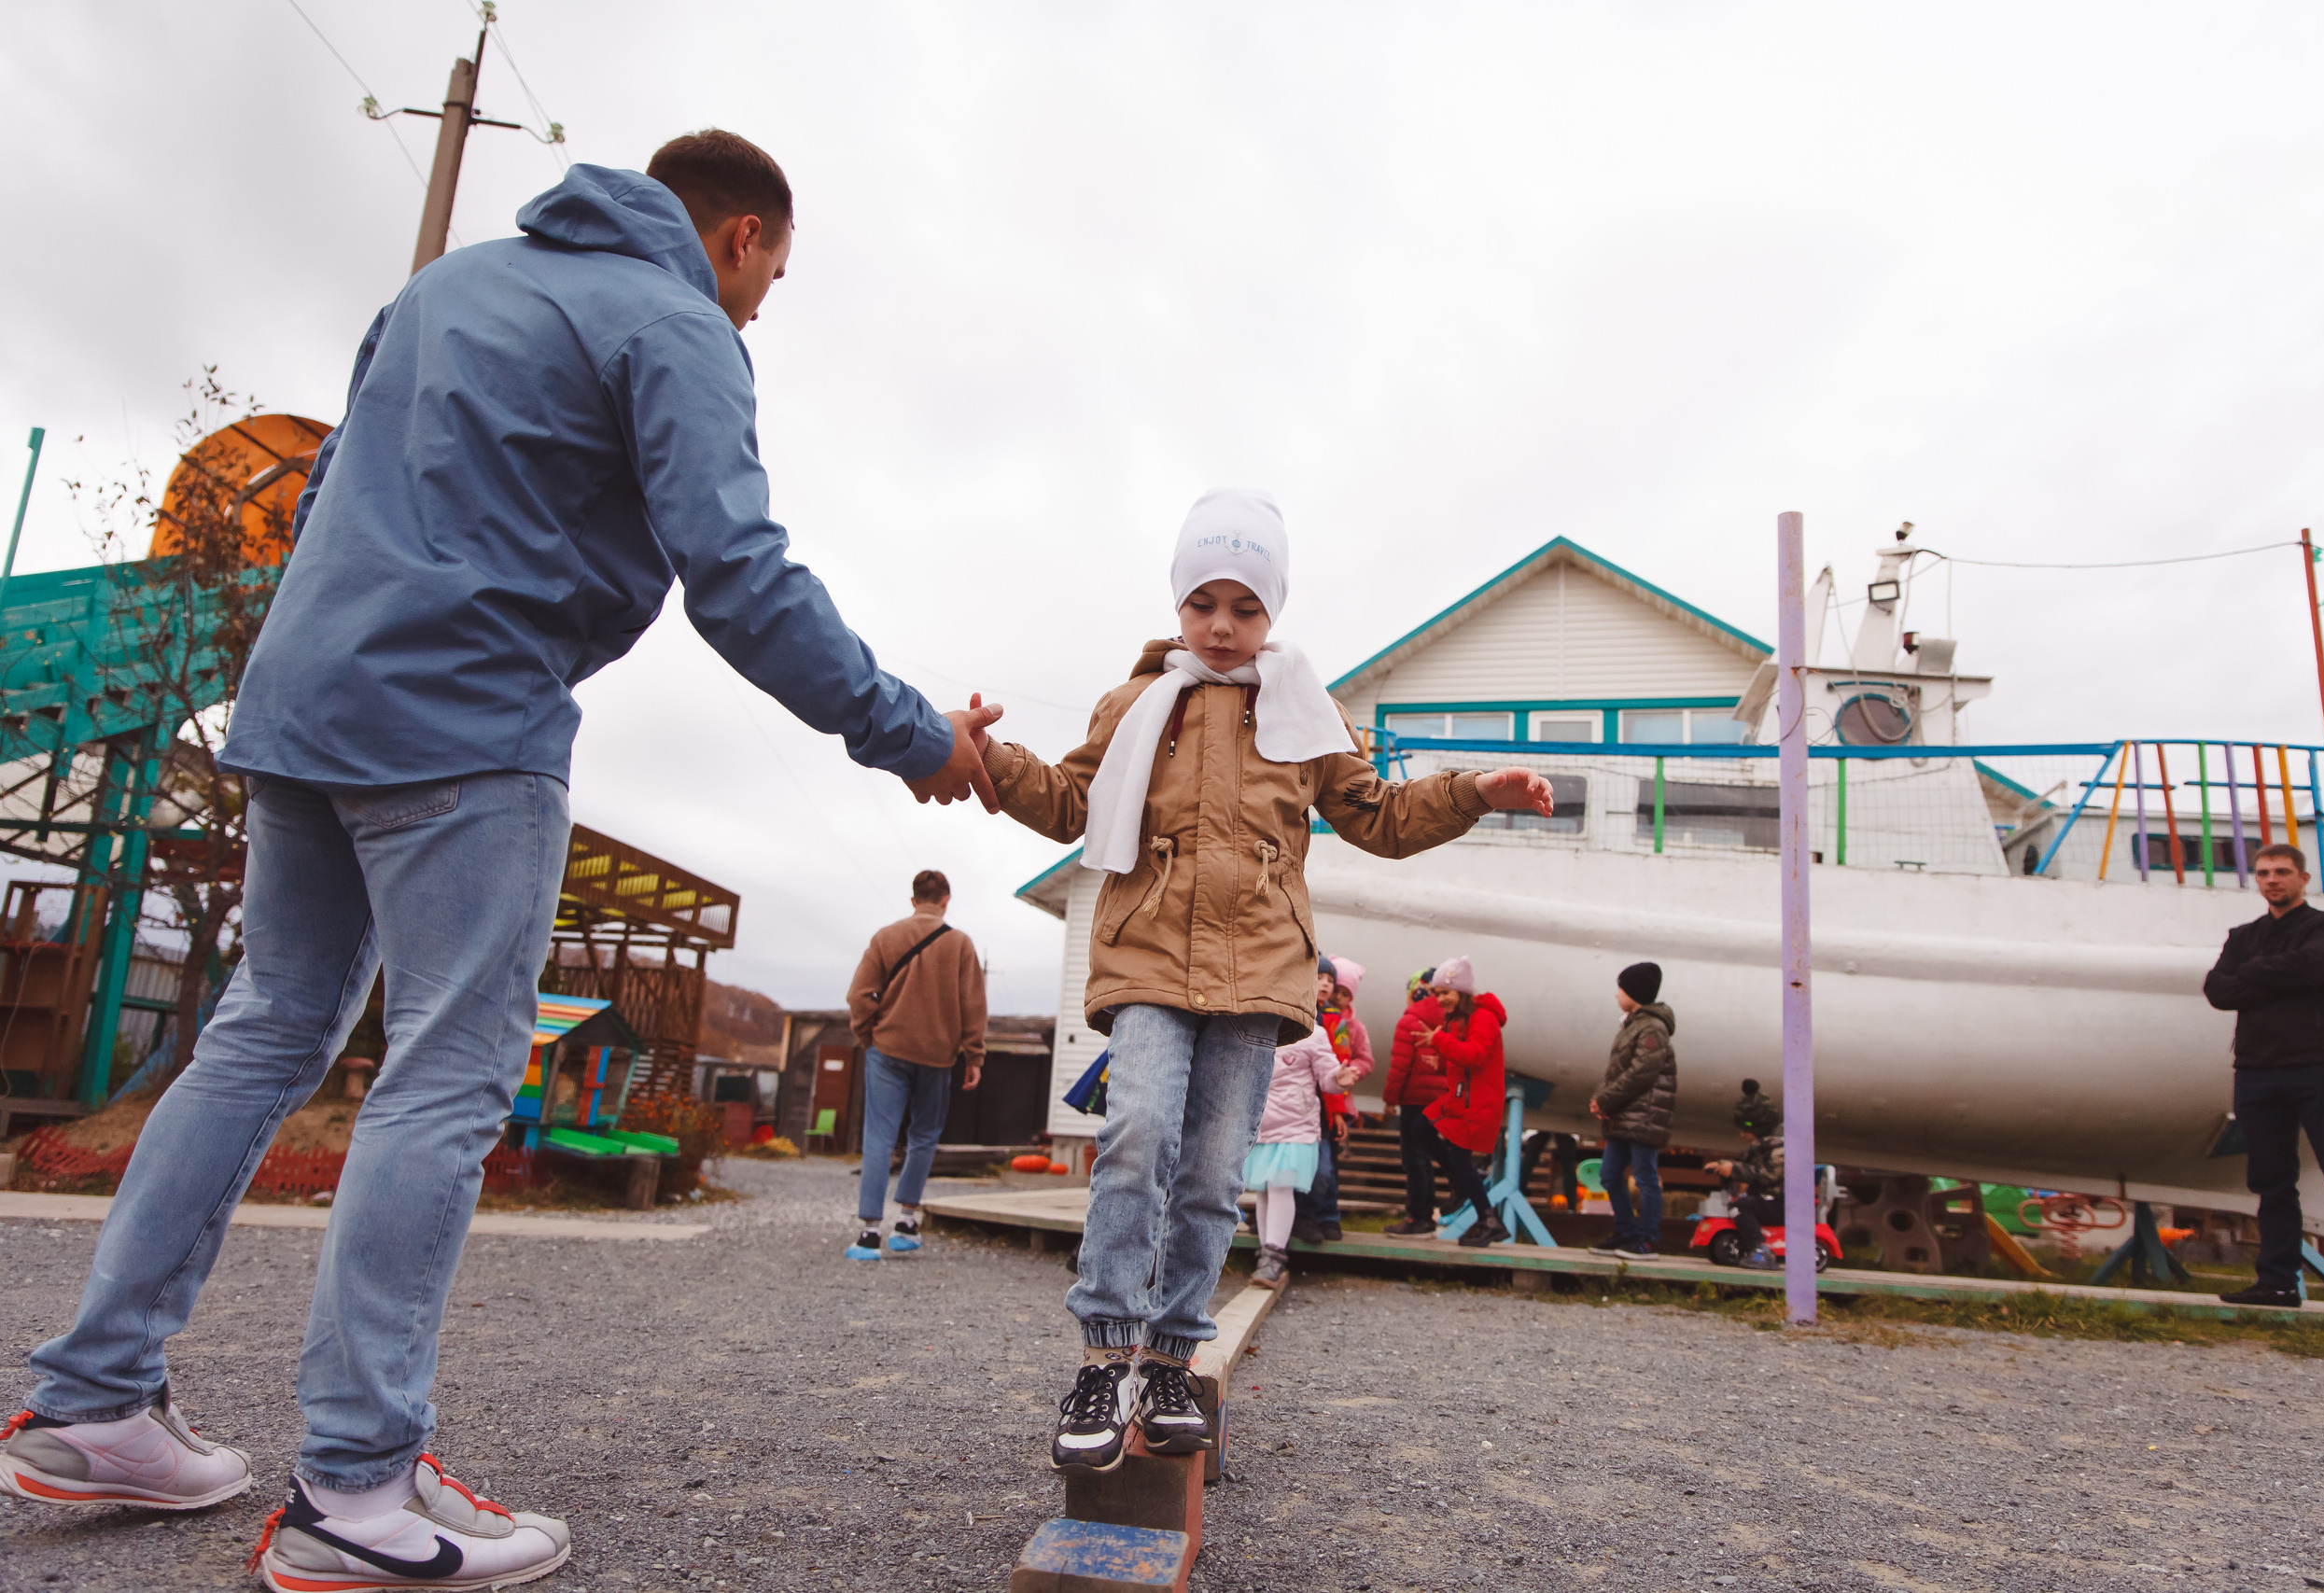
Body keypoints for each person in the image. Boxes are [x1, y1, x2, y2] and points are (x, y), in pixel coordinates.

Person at [0, 132, 1001, 1588]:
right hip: (465, 720)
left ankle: (93, 1401)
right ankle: (355, 1484)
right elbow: (741, 572)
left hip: (295, 703)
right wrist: (908, 730)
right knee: (450, 1070)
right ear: (735, 236)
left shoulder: (443, 287)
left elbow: (331, 482)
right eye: (769, 279)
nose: (760, 309)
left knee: (263, 1031)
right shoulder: (676, 324)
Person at [964, 489, 1554, 1474]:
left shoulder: (1307, 713)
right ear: (1180, 605)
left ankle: (1168, 1357)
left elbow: (1380, 817)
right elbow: (1071, 799)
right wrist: (987, 754)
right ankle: (1104, 1355)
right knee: (1139, 1134)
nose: (1223, 626)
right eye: (1204, 604)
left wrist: (1472, 792)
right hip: (1149, 954)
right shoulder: (1135, 702)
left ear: (1272, 611)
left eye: (1245, 607)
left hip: (1260, 973)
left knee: (1209, 1172)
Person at [2202, 842, 2324, 1315]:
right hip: (2258, 1072)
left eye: (2282, 871)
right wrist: (2279, 976)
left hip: (2320, 1066)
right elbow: (2219, 990)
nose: (2272, 880)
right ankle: (2278, 1283)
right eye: (2264, 873)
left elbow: (2320, 965)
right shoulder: (2243, 936)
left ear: (2302, 878)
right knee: (2271, 1181)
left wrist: (2256, 976)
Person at [844, 869, 987, 1260]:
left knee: (879, 1138)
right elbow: (973, 1004)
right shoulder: (960, 944)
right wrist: (974, 1055)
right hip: (939, 1056)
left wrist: (867, 1036)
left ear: (913, 900)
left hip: (887, 1051)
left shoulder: (886, 936)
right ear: (945, 900)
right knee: (924, 1136)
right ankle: (906, 1222)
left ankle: (869, 1234)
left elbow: (859, 995)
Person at [1242, 964, 1349, 1289]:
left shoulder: (1314, 1034)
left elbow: (1328, 1077)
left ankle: (1274, 1256)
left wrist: (1338, 1079)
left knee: (1279, 1186)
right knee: (1262, 1189)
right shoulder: (1256, 1028)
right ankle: (1265, 1251)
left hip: (1296, 1126)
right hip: (1262, 1125)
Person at [1418, 956, 1510, 1249]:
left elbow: (1475, 1055)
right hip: (1460, 1098)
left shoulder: (1484, 1017)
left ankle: (1489, 1219)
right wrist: (1441, 1060)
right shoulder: (1459, 1020)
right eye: (1437, 993)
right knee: (1420, 1127)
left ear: (1462, 992)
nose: (1440, 999)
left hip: (1478, 1103)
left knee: (1459, 1158)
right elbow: (1463, 1061)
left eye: (1446, 992)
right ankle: (1461, 1185)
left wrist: (1440, 1042)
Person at [1589, 961, 1675, 1259]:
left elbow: (1643, 1071)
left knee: (1645, 1177)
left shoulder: (1652, 1027)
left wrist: (1606, 1099)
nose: (1616, 995)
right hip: (1624, 1114)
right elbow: (1620, 1070)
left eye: (1620, 988)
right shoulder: (1633, 1024)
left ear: (1634, 992)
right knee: (1610, 1174)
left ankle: (1647, 1238)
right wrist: (1603, 1098)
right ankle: (1625, 1231)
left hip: (1644, 1116)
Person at [1292, 955, 1372, 1243]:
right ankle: (1282, 1219)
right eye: (1320, 979)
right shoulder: (1291, 1012)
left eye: (1330, 981)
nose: (1326, 985)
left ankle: (1317, 1218)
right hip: (1290, 1105)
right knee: (1285, 1166)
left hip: (1324, 1106)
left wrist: (1338, 1110)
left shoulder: (1336, 1023)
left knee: (1324, 1169)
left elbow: (1338, 1065)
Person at [1379, 968, 1451, 1236]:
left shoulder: (1410, 1020)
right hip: (1438, 1100)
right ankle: (1426, 1216)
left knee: (1413, 1160)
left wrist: (1389, 1100)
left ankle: (1418, 1218)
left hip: (1413, 1101)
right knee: (1425, 1158)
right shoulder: (1448, 1019)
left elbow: (1400, 1067)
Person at [1704, 1082, 1786, 1270]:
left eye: (1745, 1129)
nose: (1742, 1135)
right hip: (1768, 1198)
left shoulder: (1780, 1148)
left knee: (1740, 1207)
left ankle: (1761, 1249)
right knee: (1739, 1202)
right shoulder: (1762, 1147)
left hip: (1783, 1202)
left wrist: (1735, 1170)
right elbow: (1746, 1166)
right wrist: (1722, 1166)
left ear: (1758, 1127)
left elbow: (1769, 1175)